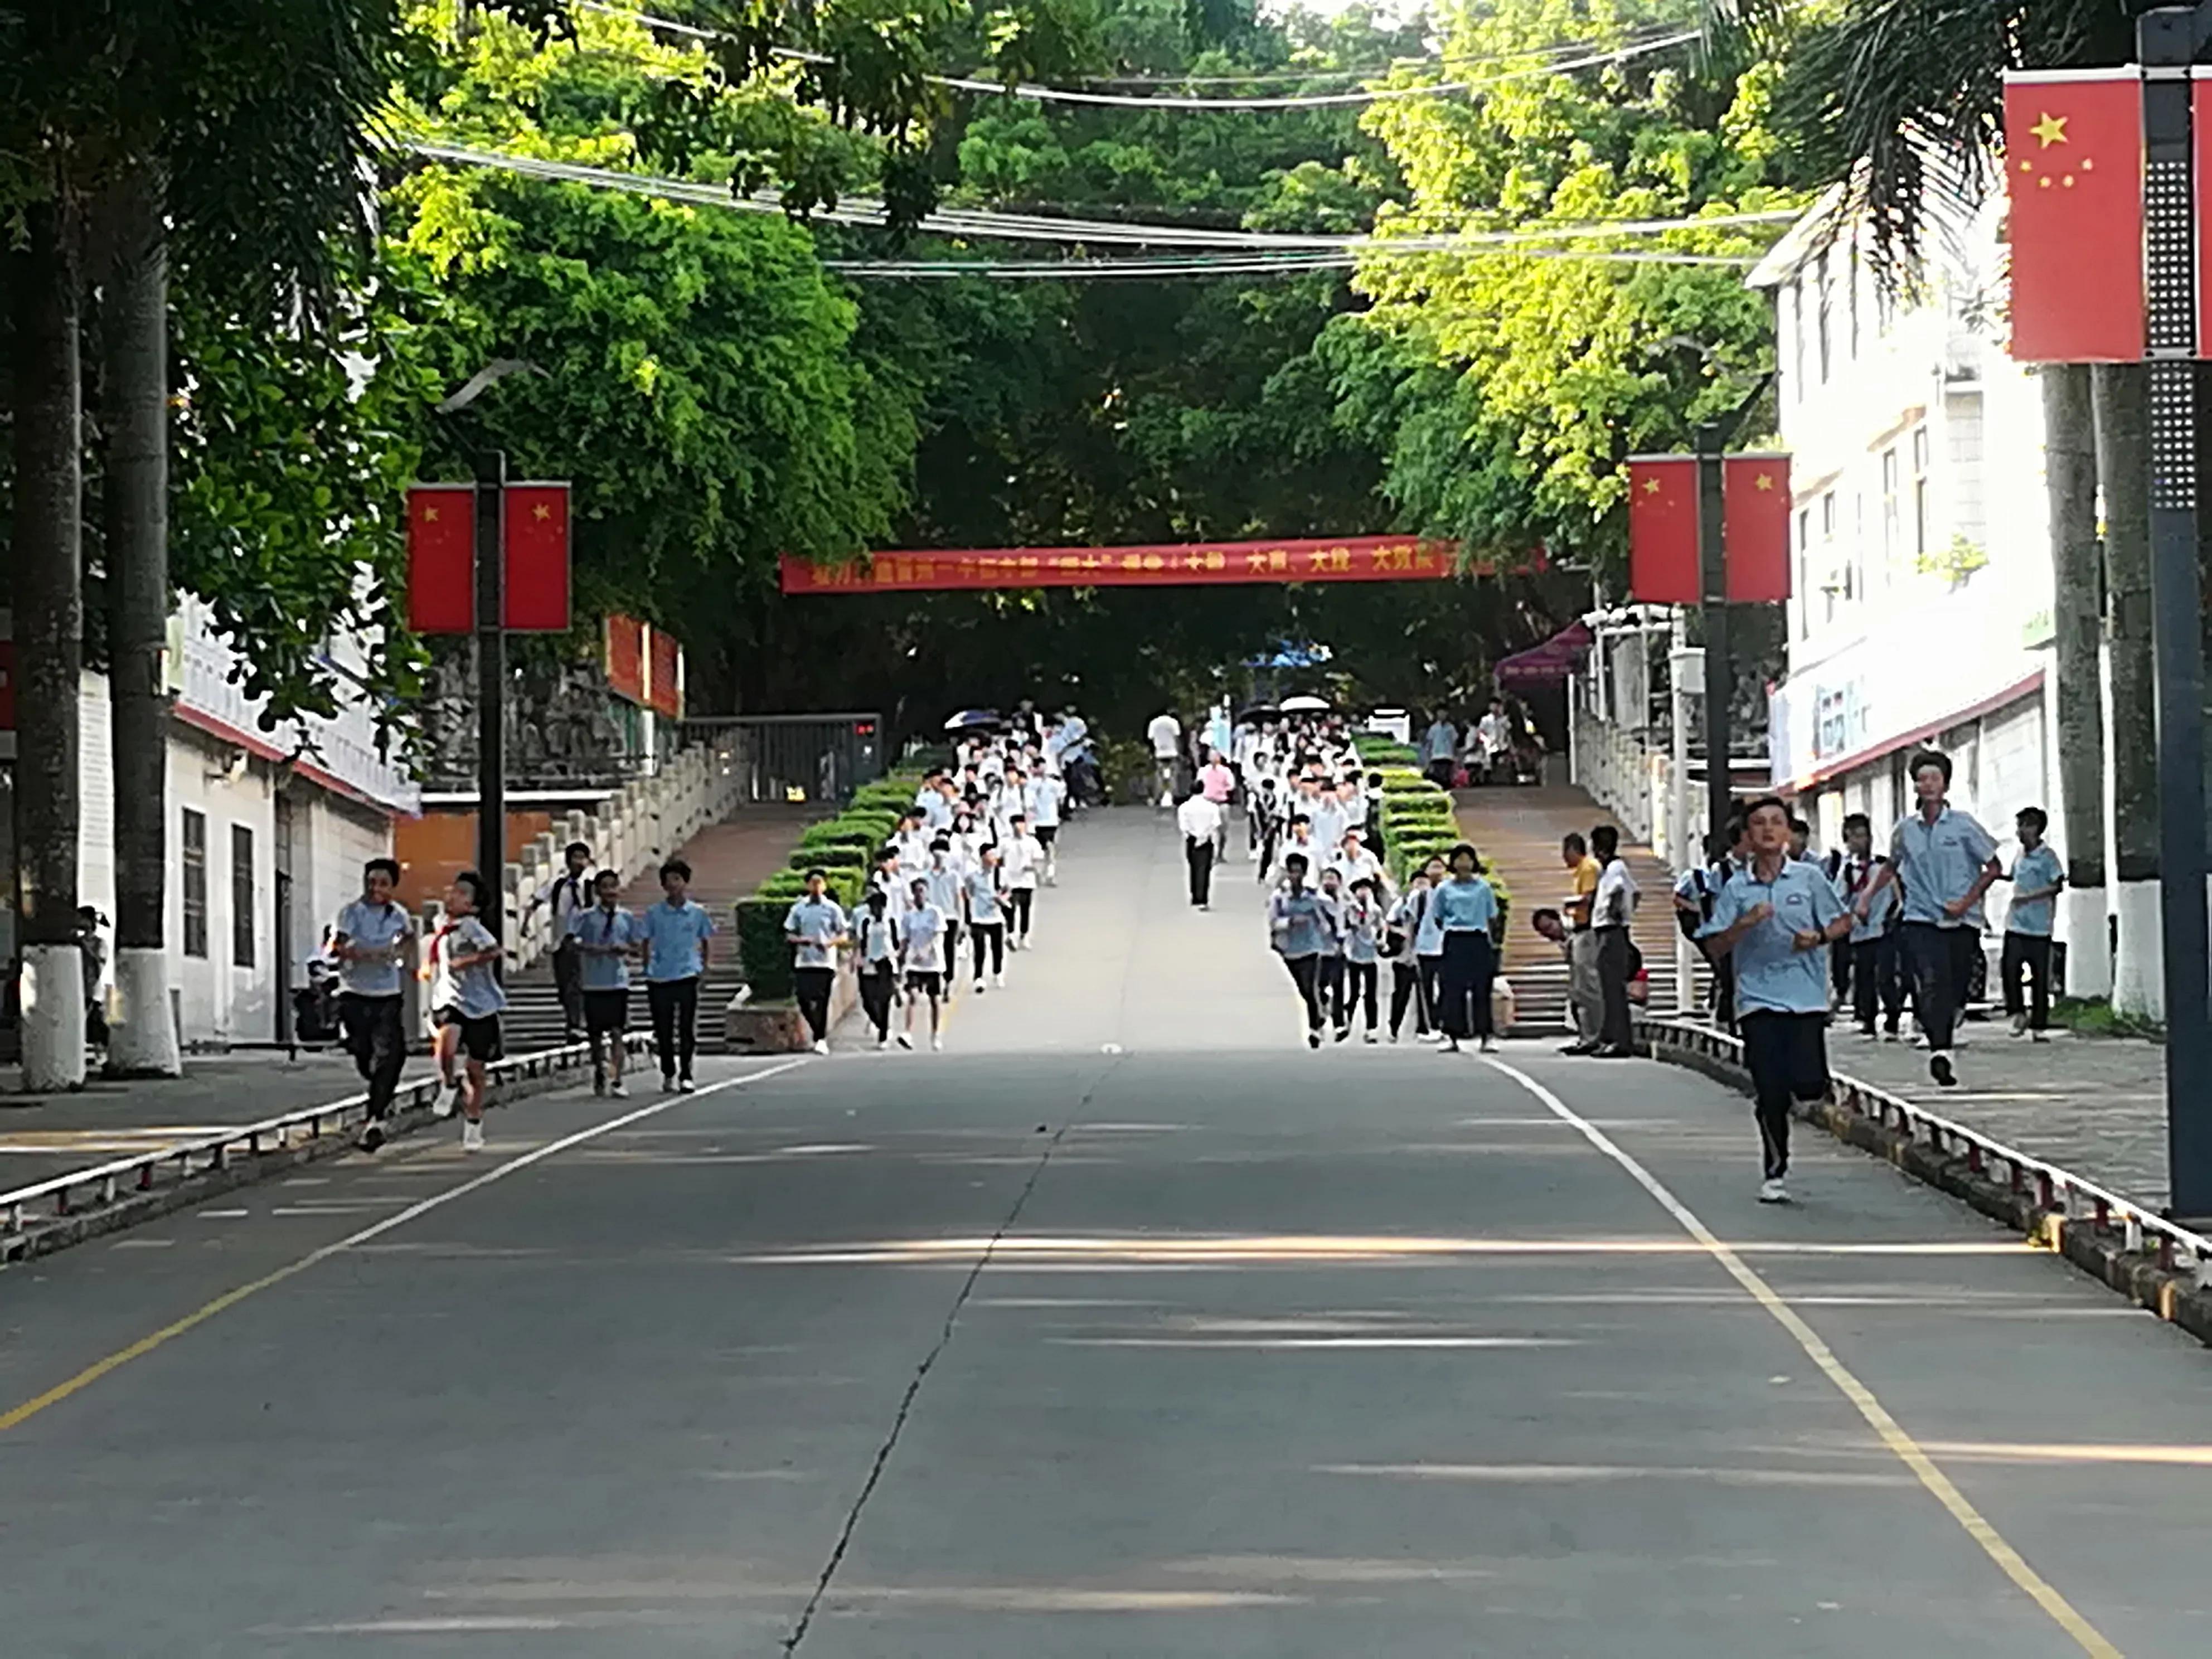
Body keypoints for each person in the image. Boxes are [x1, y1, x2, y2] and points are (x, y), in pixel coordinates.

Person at [1698, 795, 1854, 1203]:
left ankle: (1802, 1094)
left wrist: (1818, 938)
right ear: (1748, 837)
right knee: (1769, 1089)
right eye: (1759, 824)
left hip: (1805, 999)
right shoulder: (1735, 888)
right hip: (1756, 999)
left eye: (1776, 823)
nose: (1768, 830)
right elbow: (1715, 946)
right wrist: (1743, 925)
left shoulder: (1809, 879)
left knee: (1806, 1084)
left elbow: (1843, 921)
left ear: (1788, 832)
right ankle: (1775, 1168)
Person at [1857, 750, 2000, 1088]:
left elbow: (1993, 867)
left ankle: (1949, 1023)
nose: (1929, 784)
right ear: (1916, 786)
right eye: (1923, 778)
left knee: (1957, 983)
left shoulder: (1964, 826)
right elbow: (1891, 866)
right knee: (1932, 979)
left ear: (1946, 784)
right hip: (1921, 917)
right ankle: (1941, 1052)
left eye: (1935, 778)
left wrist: (1966, 902)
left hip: (1962, 920)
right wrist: (1866, 896)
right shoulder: (1906, 831)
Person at [332, 857, 414, 1151]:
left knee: (391, 1055)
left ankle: (375, 1120)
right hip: (355, 992)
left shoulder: (398, 915)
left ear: (392, 887)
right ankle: (376, 1089)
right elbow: (337, 946)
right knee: (363, 1053)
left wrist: (398, 955)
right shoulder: (351, 913)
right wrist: (361, 954)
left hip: (387, 994)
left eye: (382, 883)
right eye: (371, 882)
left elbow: (408, 939)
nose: (375, 888)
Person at [428, 870, 505, 1152]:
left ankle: (474, 1123)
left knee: (476, 1070)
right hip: (450, 999)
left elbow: (495, 951)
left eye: (463, 893)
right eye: (454, 890)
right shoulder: (440, 923)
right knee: (445, 1047)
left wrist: (469, 960)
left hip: (481, 1004)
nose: (454, 896)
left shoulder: (473, 927)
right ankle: (448, 1084)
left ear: (473, 905)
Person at [643, 856, 715, 1093]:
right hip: (660, 976)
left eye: (677, 879)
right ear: (663, 885)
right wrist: (647, 967)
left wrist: (704, 968)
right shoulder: (654, 913)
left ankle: (686, 1073)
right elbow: (645, 940)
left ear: (685, 882)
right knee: (663, 1029)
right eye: (668, 880)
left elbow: (705, 941)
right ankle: (668, 1071)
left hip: (687, 974)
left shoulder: (697, 913)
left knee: (686, 1028)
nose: (673, 884)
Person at [569, 868, 643, 1095]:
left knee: (618, 1032)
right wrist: (594, 949)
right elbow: (572, 942)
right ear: (598, 891)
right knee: (596, 1036)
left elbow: (638, 947)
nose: (610, 891)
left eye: (614, 886)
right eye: (605, 887)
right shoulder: (586, 917)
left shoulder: (627, 918)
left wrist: (627, 949)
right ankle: (599, 1070)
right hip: (593, 982)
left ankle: (617, 1077)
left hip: (618, 982)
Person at [1831, 813, 1904, 1040]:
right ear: (1847, 840)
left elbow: (1898, 896)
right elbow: (1837, 900)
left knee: (1886, 977)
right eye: (1855, 837)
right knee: (1864, 979)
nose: (1861, 841)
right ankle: (1868, 1020)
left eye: (1864, 835)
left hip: (1883, 930)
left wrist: (1893, 916)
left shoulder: (1882, 867)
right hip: (1859, 933)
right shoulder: (1846, 872)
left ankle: (1892, 1020)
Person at [1431, 842, 1500, 1054]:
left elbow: (1493, 916)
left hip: (1477, 938)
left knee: (1482, 989)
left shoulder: (1483, 888)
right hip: (1454, 939)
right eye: (1459, 858)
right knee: (1452, 989)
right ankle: (1452, 1035)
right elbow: (1438, 916)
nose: (1463, 863)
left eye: (1467, 858)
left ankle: (1486, 1036)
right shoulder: (1444, 889)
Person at [2002, 806, 2064, 1041]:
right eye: (2019, 826)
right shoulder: (2019, 855)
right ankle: (2017, 1012)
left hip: (2039, 926)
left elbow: (2056, 885)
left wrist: (2030, 897)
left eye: (2025, 826)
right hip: (2016, 923)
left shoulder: (2047, 857)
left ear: (2036, 828)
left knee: (2039, 977)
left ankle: (2039, 1025)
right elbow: (2013, 876)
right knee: (2010, 969)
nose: (2020, 831)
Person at [523, 841, 595, 1039]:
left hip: (585, 942)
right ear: (568, 860)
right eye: (576, 857)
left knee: (579, 984)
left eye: (583, 857)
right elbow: (536, 901)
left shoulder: (591, 884)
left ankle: (578, 1023)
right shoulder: (557, 884)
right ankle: (572, 1020)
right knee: (565, 985)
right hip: (560, 941)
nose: (579, 862)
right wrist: (525, 923)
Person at [1268, 851, 1337, 1048]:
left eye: (1299, 872)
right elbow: (1273, 922)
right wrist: (1289, 922)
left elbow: (1326, 917)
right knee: (1303, 990)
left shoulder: (1313, 897)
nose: (1295, 876)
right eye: (1292, 872)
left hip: (1312, 947)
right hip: (1289, 949)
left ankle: (1314, 1030)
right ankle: (1322, 1008)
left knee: (1309, 987)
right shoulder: (1280, 898)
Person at [783, 869, 848, 1056]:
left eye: (820, 883)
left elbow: (843, 934)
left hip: (825, 962)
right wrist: (803, 940)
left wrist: (830, 943)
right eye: (813, 883)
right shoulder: (799, 908)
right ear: (807, 885)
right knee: (803, 999)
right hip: (804, 960)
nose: (816, 887)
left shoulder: (832, 909)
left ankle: (820, 1038)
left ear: (825, 885)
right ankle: (816, 1030)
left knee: (822, 1001)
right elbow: (789, 933)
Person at [1590, 824, 1638, 1056]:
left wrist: (1617, 914)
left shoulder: (1615, 869)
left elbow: (1620, 892)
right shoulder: (1614, 868)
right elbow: (1636, 893)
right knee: (1608, 987)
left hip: (1611, 930)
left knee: (1613, 989)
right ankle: (1610, 1037)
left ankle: (1620, 1041)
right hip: (1610, 930)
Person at [1559, 832, 1603, 1055]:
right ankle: (1586, 1034)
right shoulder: (1582, 871)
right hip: (1581, 931)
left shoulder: (1588, 868)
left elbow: (1589, 897)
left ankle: (1594, 1035)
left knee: (1588, 985)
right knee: (1580, 987)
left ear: (1572, 850)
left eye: (1565, 853)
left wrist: (1569, 903)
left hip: (1588, 930)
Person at [900, 875, 950, 1050]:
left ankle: (935, 1034)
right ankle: (907, 1033)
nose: (919, 895)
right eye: (916, 892)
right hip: (914, 963)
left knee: (934, 999)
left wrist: (927, 949)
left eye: (922, 891)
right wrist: (901, 957)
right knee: (912, 995)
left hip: (933, 963)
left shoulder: (935, 912)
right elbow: (905, 939)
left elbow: (938, 934)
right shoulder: (909, 917)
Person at [1385, 871, 1433, 1042]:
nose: (1421, 885)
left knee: (1426, 993)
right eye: (1418, 882)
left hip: (1427, 953)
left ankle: (1425, 1028)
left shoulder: (1434, 903)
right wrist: (1402, 932)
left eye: (1424, 882)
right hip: (1404, 955)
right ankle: (1394, 1028)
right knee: (1401, 993)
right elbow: (1389, 923)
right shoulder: (1404, 902)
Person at [853, 887, 900, 1049]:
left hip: (886, 963)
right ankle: (880, 1024)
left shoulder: (891, 922)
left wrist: (897, 964)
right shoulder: (866, 923)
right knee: (868, 1000)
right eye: (873, 907)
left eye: (878, 906)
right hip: (869, 962)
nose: (876, 910)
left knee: (884, 999)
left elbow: (897, 944)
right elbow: (861, 942)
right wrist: (858, 959)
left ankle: (883, 1036)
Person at [1341, 876, 1384, 1044]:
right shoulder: (1350, 909)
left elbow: (1382, 928)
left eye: (1367, 889)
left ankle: (1371, 1028)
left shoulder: (1377, 911)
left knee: (1371, 994)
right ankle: (1347, 1022)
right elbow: (1350, 925)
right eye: (1360, 889)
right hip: (1354, 954)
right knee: (1353, 993)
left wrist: (1381, 941)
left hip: (1371, 955)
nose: (1364, 892)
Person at [964, 844, 1008, 991]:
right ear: (983, 857)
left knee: (997, 948)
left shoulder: (1000, 874)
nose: (993, 859)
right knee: (979, 948)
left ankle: (998, 972)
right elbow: (968, 893)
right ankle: (978, 977)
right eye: (990, 855)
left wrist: (1002, 898)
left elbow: (1008, 889)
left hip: (996, 916)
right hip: (978, 917)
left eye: (994, 855)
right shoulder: (973, 876)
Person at [1002, 812, 1044, 948]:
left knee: (1025, 909)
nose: (1018, 827)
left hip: (1027, 880)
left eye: (1021, 823)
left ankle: (1024, 934)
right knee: (1011, 908)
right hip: (1010, 880)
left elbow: (1039, 860)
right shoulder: (1005, 842)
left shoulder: (1032, 842)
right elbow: (999, 861)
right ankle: (1011, 933)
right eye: (1015, 824)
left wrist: (1032, 869)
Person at [1178, 787, 1223, 910]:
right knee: (1205, 869)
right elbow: (1215, 825)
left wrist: (1194, 834)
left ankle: (1195, 896)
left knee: (1194, 867)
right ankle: (1203, 898)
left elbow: (1184, 827)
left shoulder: (1184, 807)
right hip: (1207, 839)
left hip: (1192, 839)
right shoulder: (1212, 807)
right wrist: (1205, 835)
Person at [75, 906, 108, 1055]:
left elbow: (100, 963)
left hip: (91, 986)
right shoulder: (77, 942)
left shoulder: (99, 943)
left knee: (93, 1020)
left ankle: (100, 1049)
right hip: (78, 984)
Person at [1025, 765, 1064, 885]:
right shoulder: (1030, 785)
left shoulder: (1053, 784)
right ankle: (1038, 873)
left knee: (1050, 847)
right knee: (1039, 850)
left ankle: (1050, 874)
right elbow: (1028, 803)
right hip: (1037, 822)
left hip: (1051, 821)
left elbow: (1061, 794)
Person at [1147, 708, 1183, 807]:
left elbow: (1151, 739)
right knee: (1173, 775)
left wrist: (1152, 753)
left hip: (1159, 753)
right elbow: (1177, 738)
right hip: (1172, 752)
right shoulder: (1173, 722)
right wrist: (1180, 752)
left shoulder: (1153, 723)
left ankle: (1158, 797)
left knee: (1159, 775)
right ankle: (1175, 796)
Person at [1475, 700, 1512, 783]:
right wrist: (1486, 741)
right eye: (1493, 705)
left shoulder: (1504, 720)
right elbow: (1480, 733)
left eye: (1497, 706)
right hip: (1490, 745)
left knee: (1505, 760)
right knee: (1488, 760)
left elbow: (1509, 731)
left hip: (1502, 745)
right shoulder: (1486, 720)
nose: (1495, 708)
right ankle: (1487, 778)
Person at [1421, 711, 1459, 790]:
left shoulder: (1451, 728)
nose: (1442, 715)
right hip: (1436, 755)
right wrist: (1428, 757)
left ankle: (1446, 791)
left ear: (1447, 714)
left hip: (1448, 755)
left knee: (1446, 776)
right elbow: (1430, 743)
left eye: (1443, 713)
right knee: (1438, 777)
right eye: (1440, 713)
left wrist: (1455, 756)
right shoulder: (1434, 728)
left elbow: (1454, 742)